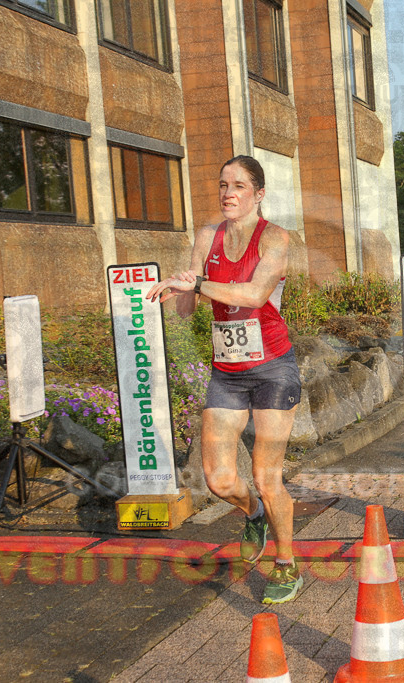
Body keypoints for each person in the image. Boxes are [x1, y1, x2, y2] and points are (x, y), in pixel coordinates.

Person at [146, 155, 303, 605]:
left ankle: (286, 564)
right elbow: (188, 306)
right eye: (222, 185)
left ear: (258, 193)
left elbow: (254, 294)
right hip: (228, 373)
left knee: (266, 475)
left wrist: (198, 285)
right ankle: (253, 513)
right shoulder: (206, 237)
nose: (227, 193)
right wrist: (181, 289)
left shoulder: (274, 238)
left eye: (238, 185)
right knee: (218, 479)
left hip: (273, 368)